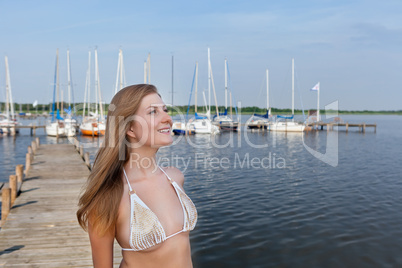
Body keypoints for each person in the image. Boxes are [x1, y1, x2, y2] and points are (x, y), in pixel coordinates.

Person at [77, 84, 197, 268]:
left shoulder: (175, 177)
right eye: (153, 112)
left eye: (165, 110)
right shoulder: (109, 197)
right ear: (130, 129)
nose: (167, 118)